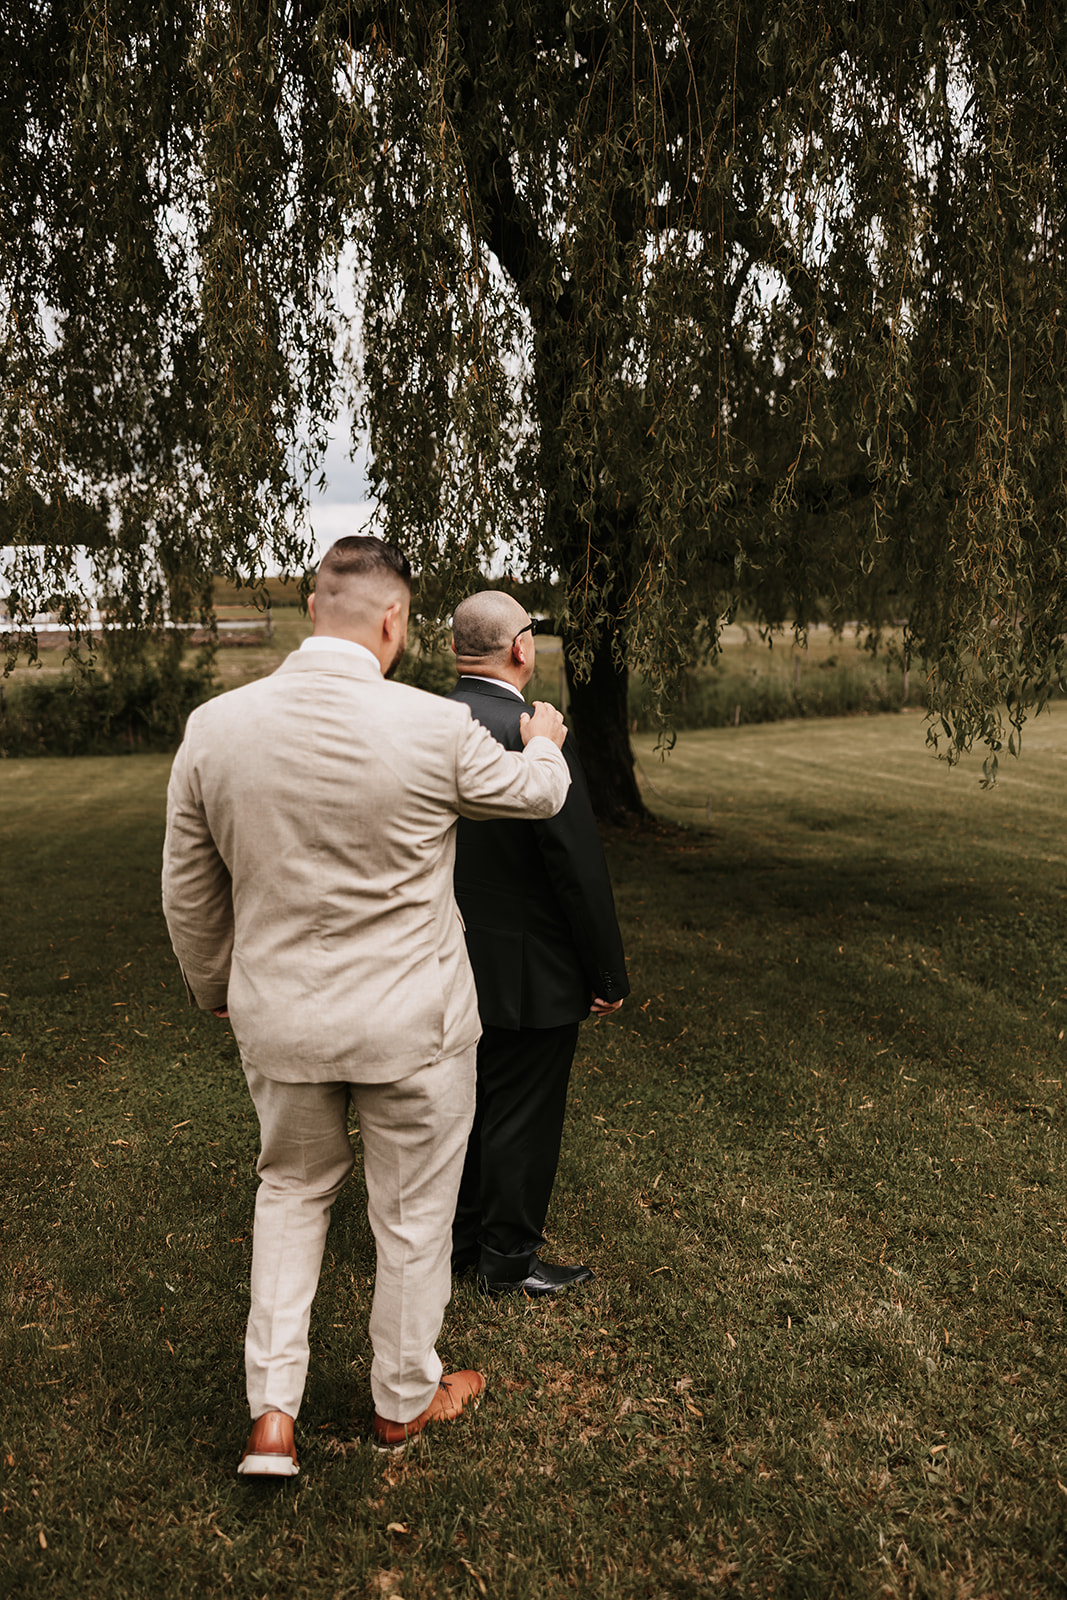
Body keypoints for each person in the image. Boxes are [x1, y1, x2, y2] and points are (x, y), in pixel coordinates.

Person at [161, 538, 571, 1474]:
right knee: (414, 1215)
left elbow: (188, 889)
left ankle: (273, 1416)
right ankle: (400, 1400)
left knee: (291, 1195)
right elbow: (536, 795)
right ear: (394, 622)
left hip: (283, 1018)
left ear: (315, 608)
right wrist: (543, 741)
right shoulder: (431, 727)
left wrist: (216, 986)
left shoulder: (215, 727)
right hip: (413, 1027)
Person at [447, 591, 630, 1296]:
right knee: (521, 1114)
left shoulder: (424, 724)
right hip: (530, 968)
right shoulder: (536, 732)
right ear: (521, 648)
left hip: (442, 958)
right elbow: (573, 863)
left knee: (460, 1110)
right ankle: (507, 1261)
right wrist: (604, 970)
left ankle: (456, 1245)